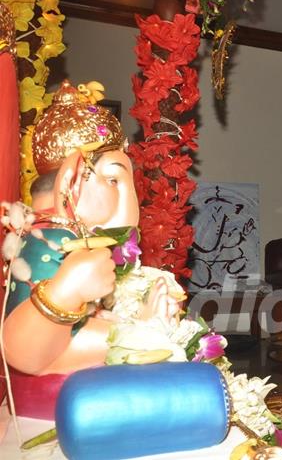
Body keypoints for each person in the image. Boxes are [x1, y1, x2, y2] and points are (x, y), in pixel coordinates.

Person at [2, 81, 180, 386]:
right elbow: (22, 352)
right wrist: (141, 329)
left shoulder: (70, 239)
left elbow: (80, 325)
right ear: (73, 182)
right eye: (113, 180)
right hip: (58, 403)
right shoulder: (50, 242)